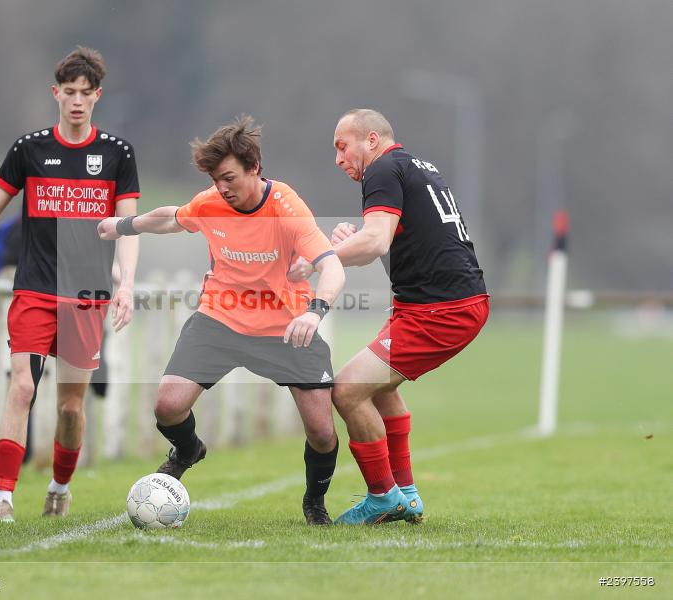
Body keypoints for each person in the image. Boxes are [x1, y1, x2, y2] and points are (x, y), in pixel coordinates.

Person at [98, 116, 346, 525]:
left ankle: (314, 503)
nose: (222, 188)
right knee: (167, 407)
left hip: (286, 325)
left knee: (321, 431)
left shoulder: (286, 208)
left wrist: (314, 311)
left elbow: (332, 267)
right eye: (216, 180)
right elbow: (169, 218)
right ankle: (188, 449)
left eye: (229, 178)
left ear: (254, 168)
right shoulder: (212, 202)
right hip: (219, 318)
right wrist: (122, 224)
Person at [0, 47, 139, 522]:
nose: (76, 101)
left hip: (87, 296)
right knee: (21, 387)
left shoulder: (117, 154)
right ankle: (3, 500)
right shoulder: (29, 149)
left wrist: (126, 285)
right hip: (34, 288)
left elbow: (128, 228)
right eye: (69, 92)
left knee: (70, 408)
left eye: (85, 93)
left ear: (98, 96)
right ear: (56, 94)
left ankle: (59, 487)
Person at [289, 108, 488, 525]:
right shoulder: (415, 166)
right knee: (379, 389)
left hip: (439, 310)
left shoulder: (381, 170)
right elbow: (391, 240)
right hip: (437, 304)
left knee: (347, 391)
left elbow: (377, 241)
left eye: (343, 147)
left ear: (371, 140)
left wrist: (319, 259)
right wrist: (353, 241)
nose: (338, 159)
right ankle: (406, 494)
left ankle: (383, 496)